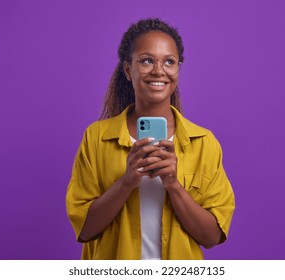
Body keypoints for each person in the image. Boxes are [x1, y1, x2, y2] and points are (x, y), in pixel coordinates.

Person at [66, 18, 235, 260]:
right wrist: (126, 182)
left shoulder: (204, 143)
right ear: (128, 69)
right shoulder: (96, 138)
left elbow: (211, 237)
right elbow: (85, 229)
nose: (158, 70)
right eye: (147, 60)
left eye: (169, 62)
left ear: (178, 69)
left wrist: (173, 185)